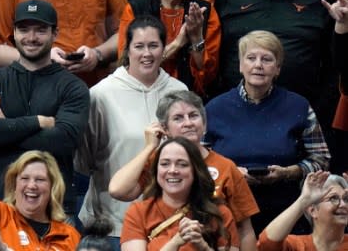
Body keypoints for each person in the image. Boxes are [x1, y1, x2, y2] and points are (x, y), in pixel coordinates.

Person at [205, 30, 331, 233]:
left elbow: (322, 159)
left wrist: (289, 173)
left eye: (267, 59)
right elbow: (198, 160)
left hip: (285, 213)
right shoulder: (214, 108)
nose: (258, 65)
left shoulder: (299, 106)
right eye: (251, 58)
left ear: (278, 69)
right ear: (240, 65)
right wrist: (229, 173)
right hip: (226, 213)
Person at [78, 16, 188, 240]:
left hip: (170, 225)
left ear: (163, 48)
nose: (146, 54)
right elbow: (84, 161)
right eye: (139, 46)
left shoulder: (180, 91)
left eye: (154, 46)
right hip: (112, 226)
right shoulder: (101, 94)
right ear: (126, 50)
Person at [0, 0, 89, 215]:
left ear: (55, 34)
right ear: (14, 33)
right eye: (24, 29)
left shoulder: (74, 87)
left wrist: (6, 129)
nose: (31, 37)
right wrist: (39, 122)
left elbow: (63, 141)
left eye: (40, 30)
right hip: (0, 203)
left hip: (55, 208)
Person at [110, 90, 260, 251]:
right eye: (178, 118)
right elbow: (118, 190)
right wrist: (150, 147)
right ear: (165, 129)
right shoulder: (157, 161)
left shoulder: (226, 167)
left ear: (204, 123)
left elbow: (245, 230)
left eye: (193, 116)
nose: (188, 123)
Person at [0, 118, 81, 251]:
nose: (31, 185)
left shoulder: (69, 236)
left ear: (53, 188)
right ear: (14, 186)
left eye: (40, 179)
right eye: (25, 178)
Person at [116, 0, 220, 94]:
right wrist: (178, 43)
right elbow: (127, 66)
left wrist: (197, 38)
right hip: (145, 94)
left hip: (189, 98)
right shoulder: (136, 10)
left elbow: (208, 77)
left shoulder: (204, 11)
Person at [120, 137, 239, 251]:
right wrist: (175, 242)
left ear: (196, 170)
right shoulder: (138, 212)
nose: (172, 170)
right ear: (156, 170)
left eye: (182, 164)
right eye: (165, 164)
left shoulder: (220, 213)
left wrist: (203, 247)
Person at [257, 171, 348, 251]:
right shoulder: (297, 245)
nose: (343, 205)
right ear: (313, 210)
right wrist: (304, 200)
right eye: (333, 198)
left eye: (346, 199)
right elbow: (266, 244)